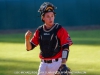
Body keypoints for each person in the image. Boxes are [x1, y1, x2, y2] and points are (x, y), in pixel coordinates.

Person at [25, 2, 73, 75]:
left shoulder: (60, 29)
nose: (51, 18)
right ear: (43, 17)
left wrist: (63, 64)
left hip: (57, 64)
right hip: (43, 65)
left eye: (52, 16)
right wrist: (27, 39)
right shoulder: (39, 30)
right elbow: (29, 48)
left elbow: (65, 47)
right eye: (48, 16)